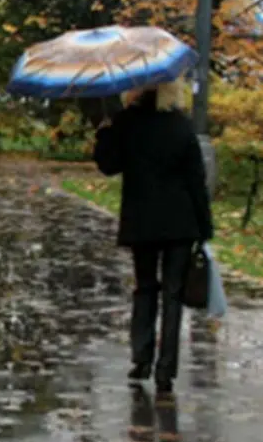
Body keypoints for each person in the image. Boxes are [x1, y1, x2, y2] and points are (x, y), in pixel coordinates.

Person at [91, 78, 213, 394]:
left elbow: (108, 165)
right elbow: (196, 182)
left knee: (145, 288)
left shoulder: (126, 123)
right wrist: (205, 228)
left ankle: (141, 358)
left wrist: (104, 133)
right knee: (173, 294)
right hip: (181, 224)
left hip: (142, 222)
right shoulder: (181, 126)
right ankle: (165, 370)